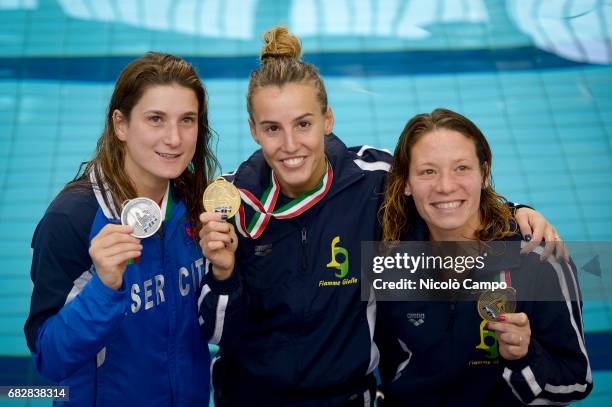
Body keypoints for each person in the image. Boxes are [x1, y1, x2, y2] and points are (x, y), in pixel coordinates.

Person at [198, 27, 564, 407]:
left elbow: (440, 195)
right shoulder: (231, 204)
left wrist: (514, 211)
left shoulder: (372, 180)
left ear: (328, 120)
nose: (290, 145)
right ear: (253, 130)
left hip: (347, 397)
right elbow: (213, 331)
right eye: (273, 128)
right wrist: (223, 274)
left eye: (304, 124)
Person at [24, 52, 237, 406]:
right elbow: (49, 357)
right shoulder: (72, 219)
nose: (174, 138)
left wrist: (224, 274)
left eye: (187, 120)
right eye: (155, 119)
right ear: (121, 125)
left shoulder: (198, 206)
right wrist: (105, 288)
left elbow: (217, 332)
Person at [376, 108, 592, 406]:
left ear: (484, 174)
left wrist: (524, 356)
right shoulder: (389, 258)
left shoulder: (540, 260)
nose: (445, 186)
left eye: (462, 168)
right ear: (406, 183)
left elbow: (577, 382)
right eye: (428, 171)